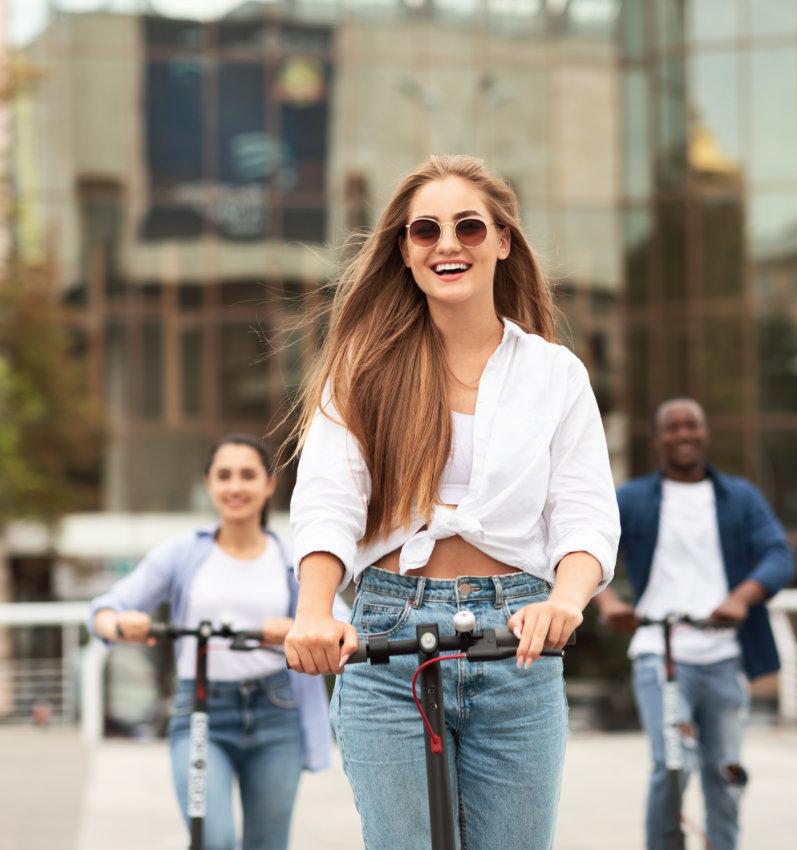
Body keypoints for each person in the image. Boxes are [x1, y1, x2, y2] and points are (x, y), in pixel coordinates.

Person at [281, 154, 621, 850]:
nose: (447, 244)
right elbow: (327, 502)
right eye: (425, 230)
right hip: (387, 638)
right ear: (404, 253)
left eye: (469, 227)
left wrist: (566, 600)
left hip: (516, 643)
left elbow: (584, 512)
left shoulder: (554, 374)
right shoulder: (363, 368)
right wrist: (314, 612)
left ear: (503, 240)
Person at [88, 434, 347, 850]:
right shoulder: (183, 554)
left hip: (276, 712)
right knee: (215, 840)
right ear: (208, 484)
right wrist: (120, 624)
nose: (235, 487)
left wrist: (291, 630)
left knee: (268, 843)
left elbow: (343, 631)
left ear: (270, 484)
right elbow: (104, 610)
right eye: (224, 476)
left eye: (248, 475)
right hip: (201, 710)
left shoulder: (293, 558)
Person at [595, 397, 795, 850]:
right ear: (657, 439)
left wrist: (741, 600)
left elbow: (779, 554)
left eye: (693, 426)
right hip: (658, 652)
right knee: (673, 765)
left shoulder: (739, 497)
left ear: (705, 433)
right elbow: (586, 548)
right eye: (673, 427)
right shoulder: (634, 498)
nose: (684, 434)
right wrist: (608, 603)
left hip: (725, 657)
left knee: (726, 774)